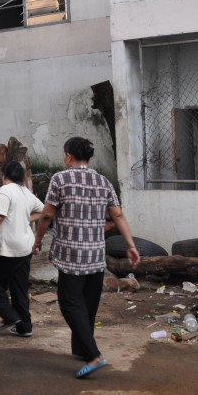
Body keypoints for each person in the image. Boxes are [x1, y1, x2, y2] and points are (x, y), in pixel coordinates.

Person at [33, 136, 141, 379]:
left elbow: (47, 214)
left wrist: (38, 239)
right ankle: (82, 349)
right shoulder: (103, 181)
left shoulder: (60, 179)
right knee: (88, 305)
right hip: (96, 255)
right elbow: (118, 215)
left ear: (68, 156)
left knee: (69, 303)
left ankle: (93, 356)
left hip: (71, 255)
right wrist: (131, 245)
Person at [0, 161, 44, 337]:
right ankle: (24, 326)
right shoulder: (26, 193)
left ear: (4, 176)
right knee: (19, 287)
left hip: (9, 247)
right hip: (26, 246)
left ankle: (9, 316)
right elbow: (43, 211)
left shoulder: (5, 191)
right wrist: (24, 218)